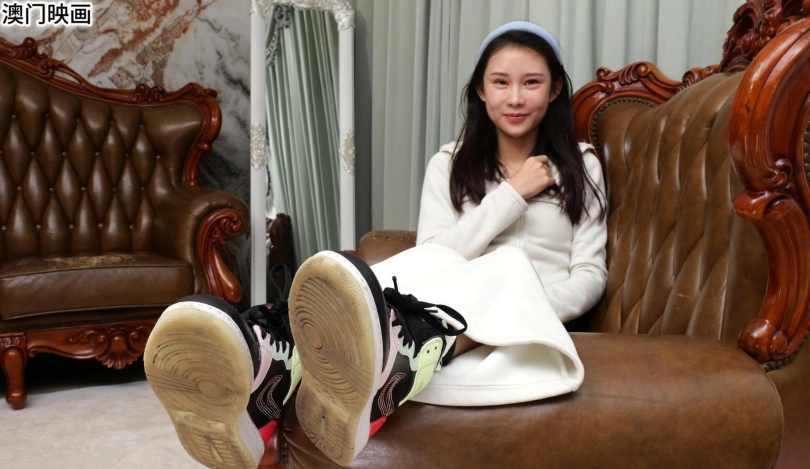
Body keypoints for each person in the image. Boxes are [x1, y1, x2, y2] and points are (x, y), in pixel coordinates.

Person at [143, 20, 606, 469]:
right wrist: (511, 195)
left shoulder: (582, 166)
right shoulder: (448, 163)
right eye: (501, 82)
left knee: (507, 264)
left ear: (555, 90)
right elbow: (438, 255)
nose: (516, 98)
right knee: (401, 277)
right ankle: (266, 357)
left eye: (531, 83)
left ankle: (328, 358)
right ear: (481, 91)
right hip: (443, 306)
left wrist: (521, 303)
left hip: (522, 319)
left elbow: (590, 274)